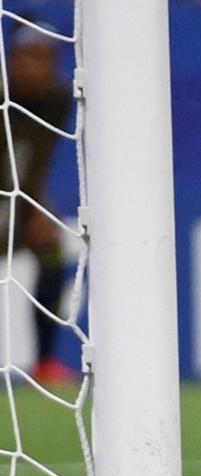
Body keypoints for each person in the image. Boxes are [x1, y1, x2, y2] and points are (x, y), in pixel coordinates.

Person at [2, 20, 75, 385]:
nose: (39, 65)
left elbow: (39, 158)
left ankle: (45, 362)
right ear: (11, 59)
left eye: (47, 56)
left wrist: (36, 208)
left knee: (50, 244)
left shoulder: (57, 99)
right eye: (30, 55)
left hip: (14, 199)